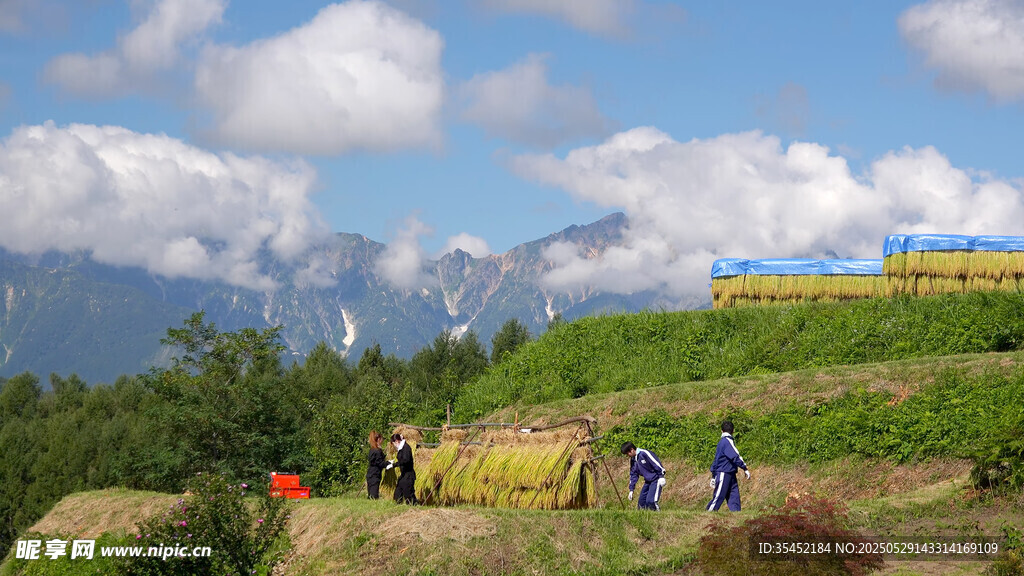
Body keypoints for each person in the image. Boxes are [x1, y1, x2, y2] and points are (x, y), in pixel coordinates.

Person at [706, 420, 750, 512]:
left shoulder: (722, 442)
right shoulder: (727, 441)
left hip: (729, 472)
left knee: (734, 495)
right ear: (733, 431)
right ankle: (709, 512)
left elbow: (716, 460)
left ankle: (736, 513)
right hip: (724, 472)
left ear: (721, 431)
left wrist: (713, 475)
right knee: (719, 495)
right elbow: (735, 456)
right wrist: (744, 468)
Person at [620, 441, 667, 511]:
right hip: (648, 481)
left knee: (651, 501)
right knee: (641, 504)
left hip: (656, 479)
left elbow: (656, 464)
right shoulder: (633, 460)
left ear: (632, 449)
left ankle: (657, 515)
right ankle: (645, 518)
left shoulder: (644, 454)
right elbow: (633, 474)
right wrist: (631, 490)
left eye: (628, 453)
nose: (628, 455)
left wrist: (661, 476)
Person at [391, 433, 418, 504]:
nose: (394, 445)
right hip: (403, 474)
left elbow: (406, 460)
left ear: (396, 441)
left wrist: (395, 464)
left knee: (408, 494)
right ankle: (398, 505)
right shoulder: (401, 448)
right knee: (398, 492)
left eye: (393, 443)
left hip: (408, 475)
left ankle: (414, 506)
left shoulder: (406, 448)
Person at [366, 430, 389, 500]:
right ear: (379, 439)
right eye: (382, 439)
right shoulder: (377, 451)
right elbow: (380, 463)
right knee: (374, 495)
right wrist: (389, 463)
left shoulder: (372, 450)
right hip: (375, 474)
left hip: (370, 473)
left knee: (370, 493)